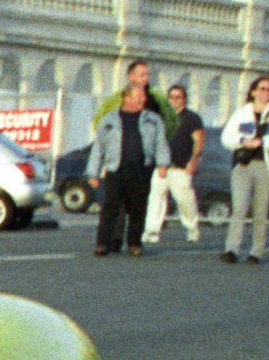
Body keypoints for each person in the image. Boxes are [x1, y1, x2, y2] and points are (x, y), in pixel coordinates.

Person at [88, 64, 168, 257]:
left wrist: (163, 163)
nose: (142, 100)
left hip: (141, 169)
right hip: (116, 168)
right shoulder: (109, 120)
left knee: (138, 208)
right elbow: (98, 146)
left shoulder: (153, 119)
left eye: (143, 97)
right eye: (138, 97)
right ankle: (102, 243)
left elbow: (160, 143)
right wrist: (93, 172)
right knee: (110, 207)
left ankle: (134, 243)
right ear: (126, 98)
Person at [218, 75, 269, 264]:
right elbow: (227, 137)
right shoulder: (241, 114)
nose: (265, 92)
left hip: (266, 166)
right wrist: (243, 141)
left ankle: (256, 251)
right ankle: (232, 249)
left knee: (260, 210)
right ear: (253, 91)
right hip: (243, 165)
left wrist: (264, 142)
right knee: (239, 208)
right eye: (262, 88)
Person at [143, 82, 206, 246]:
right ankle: (152, 231)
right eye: (171, 97)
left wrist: (193, 161)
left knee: (186, 201)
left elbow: (198, 142)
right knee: (155, 198)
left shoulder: (192, 118)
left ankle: (192, 227)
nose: (174, 100)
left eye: (178, 97)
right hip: (162, 166)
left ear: (184, 99)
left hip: (181, 167)